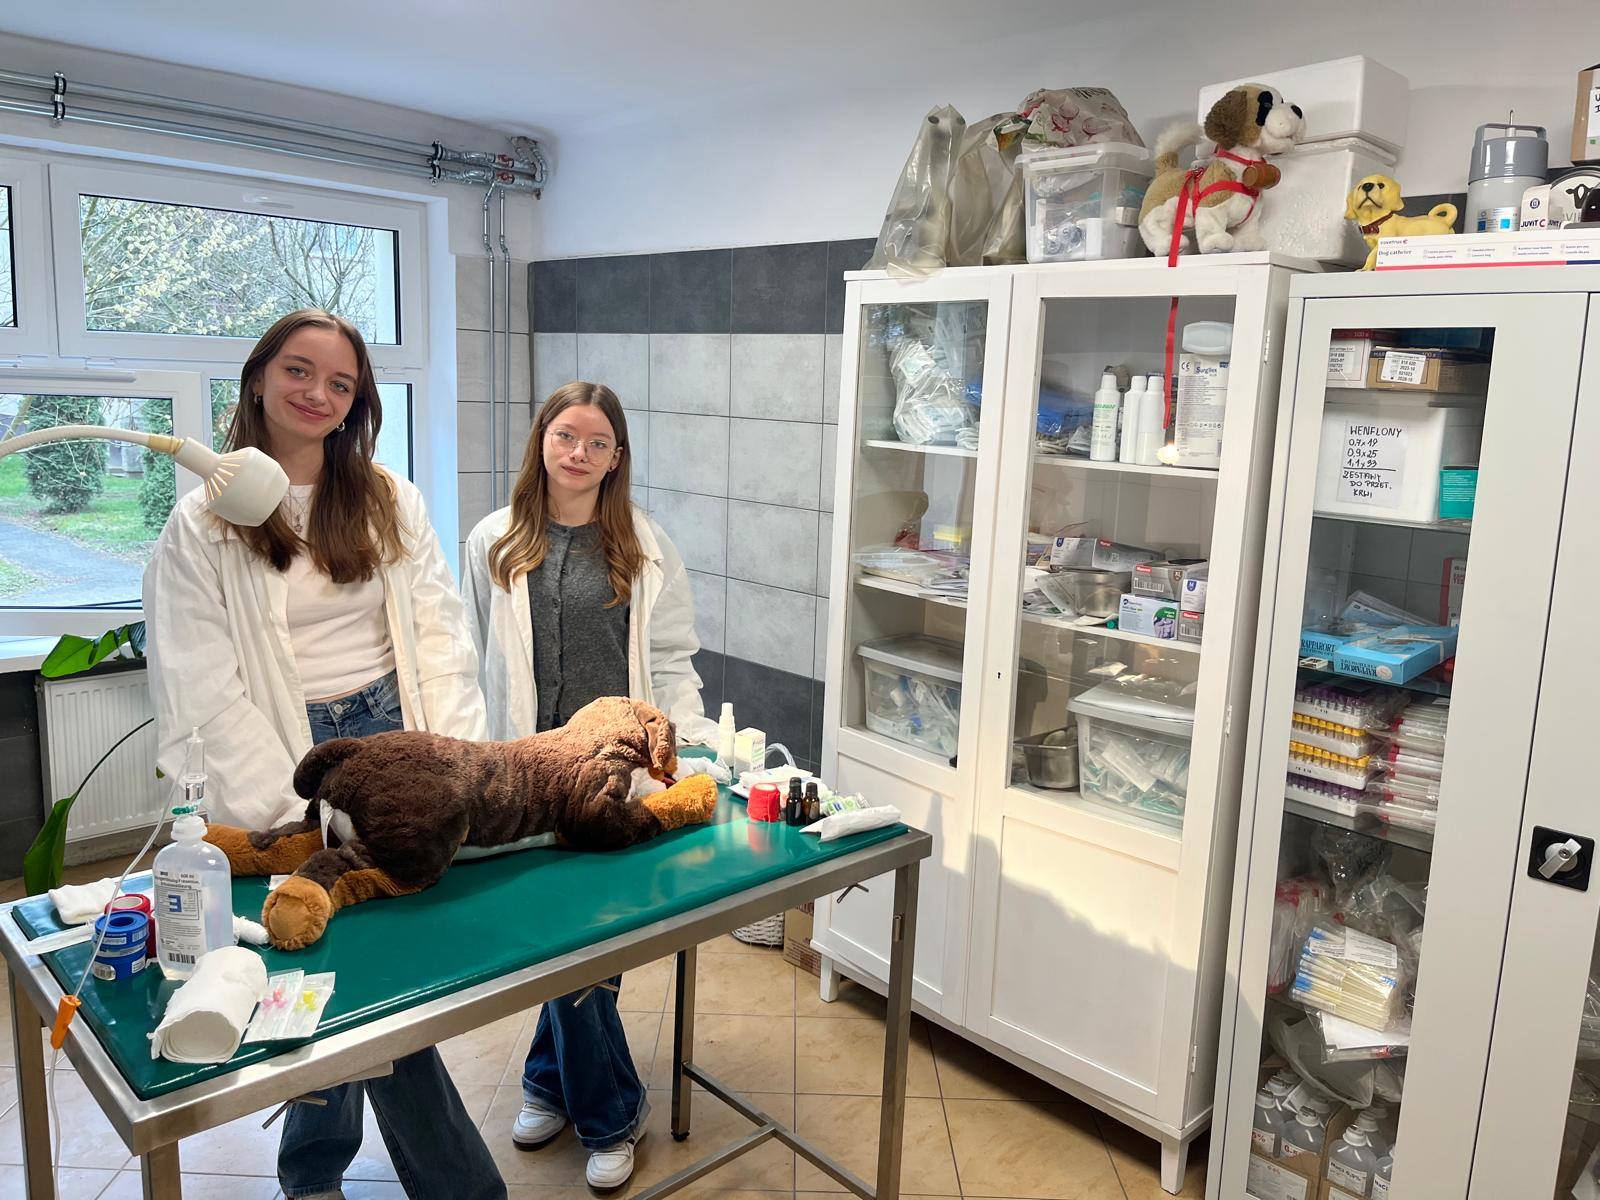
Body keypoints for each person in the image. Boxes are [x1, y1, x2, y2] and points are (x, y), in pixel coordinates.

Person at [143, 309, 506, 1200]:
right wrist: (287, 811)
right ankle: (444, 1186)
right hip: (282, 742)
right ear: (259, 378)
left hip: (392, 734)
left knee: (363, 961)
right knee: (338, 966)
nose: (317, 394)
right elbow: (203, 685)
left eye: (340, 383)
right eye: (299, 371)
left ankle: (310, 1173)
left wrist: (452, 759)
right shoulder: (203, 523)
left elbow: (439, 632)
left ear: (356, 404)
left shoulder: (387, 498)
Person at [462, 380, 714, 1190]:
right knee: (555, 935)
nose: (578, 452)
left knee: (591, 939)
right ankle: (565, 1086)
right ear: (541, 440)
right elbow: (469, 652)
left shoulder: (643, 542)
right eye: (566, 435)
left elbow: (670, 655)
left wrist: (686, 745)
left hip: (614, 773)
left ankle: (598, 1107)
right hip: (528, 773)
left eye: (597, 442)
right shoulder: (494, 540)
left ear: (616, 458)